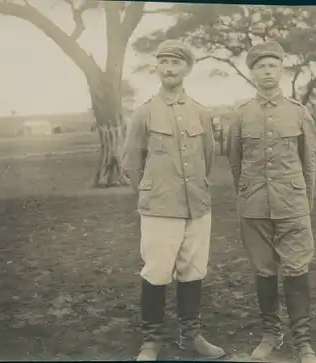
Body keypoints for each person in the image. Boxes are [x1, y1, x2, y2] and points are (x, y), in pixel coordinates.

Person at [122, 39, 225, 361]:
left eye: (176, 62)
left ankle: (190, 336)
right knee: (156, 270)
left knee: (193, 269)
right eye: (164, 61)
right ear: (157, 67)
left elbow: (207, 158)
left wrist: (193, 189)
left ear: (187, 69)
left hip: (196, 204)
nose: (169, 68)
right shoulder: (143, 114)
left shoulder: (201, 113)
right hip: (160, 206)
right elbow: (132, 162)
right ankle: (151, 341)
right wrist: (150, 194)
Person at [226, 40, 316, 363]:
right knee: (264, 271)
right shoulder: (240, 115)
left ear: (281, 70)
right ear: (251, 72)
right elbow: (235, 161)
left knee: (296, 269)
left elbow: (309, 162)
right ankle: (271, 333)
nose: (267, 72)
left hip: (293, 205)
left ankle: (303, 342)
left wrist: (304, 202)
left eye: (273, 66)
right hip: (254, 206)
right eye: (260, 66)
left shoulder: (298, 112)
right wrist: (249, 193)